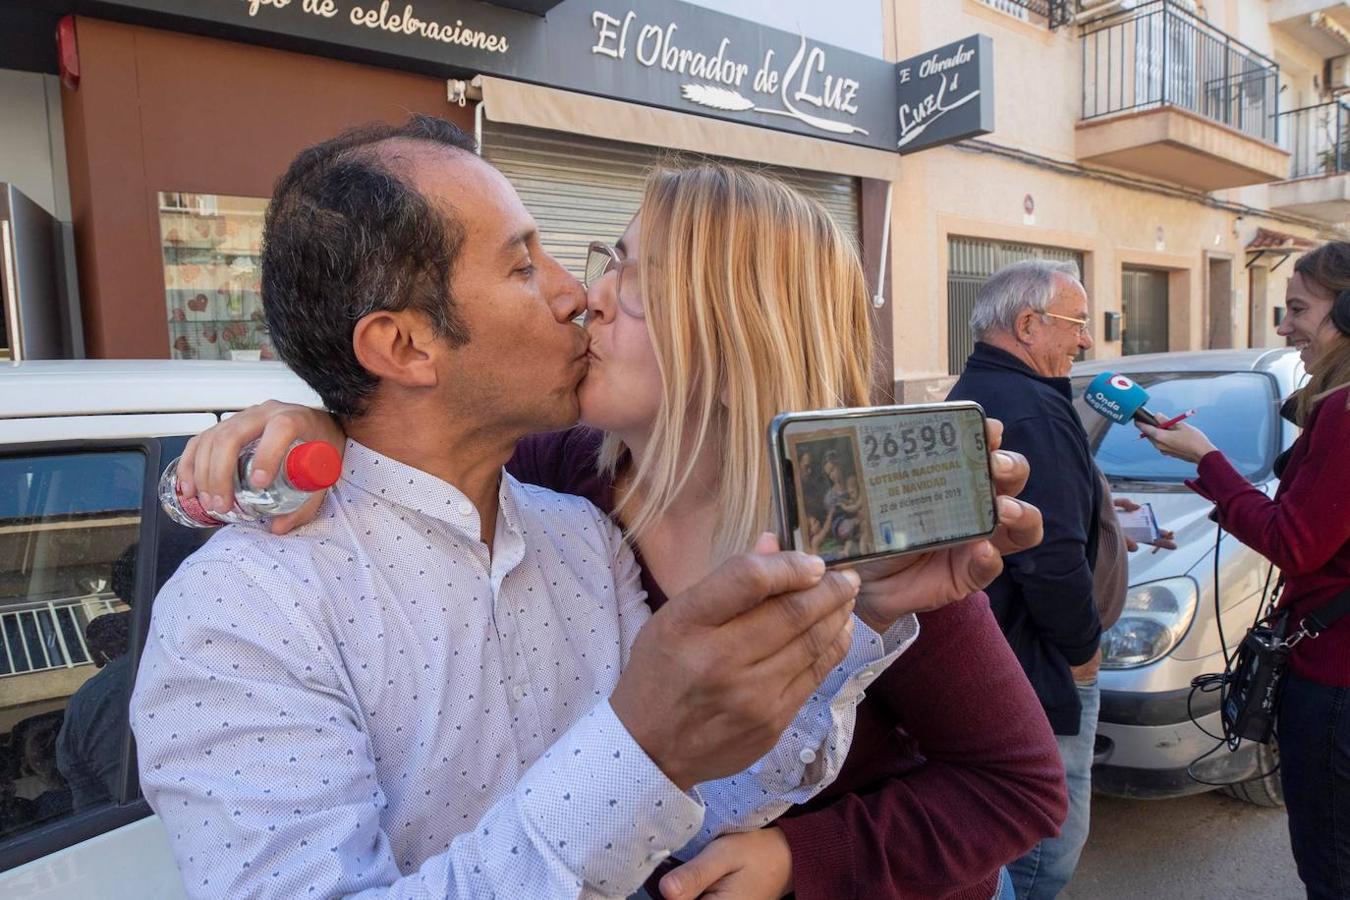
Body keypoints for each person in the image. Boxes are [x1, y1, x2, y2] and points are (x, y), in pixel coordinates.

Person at [130, 116, 982, 900]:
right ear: (404, 345)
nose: (578, 294)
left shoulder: (580, 533)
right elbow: (641, 776)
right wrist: (642, 742)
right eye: (522, 265)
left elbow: (685, 813)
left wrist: (856, 612)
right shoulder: (243, 612)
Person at [1138, 242, 1350, 900]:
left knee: (1331, 868)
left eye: (1297, 310)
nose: (1284, 328)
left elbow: (1295, 541)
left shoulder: (1345, 411)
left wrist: (1207, 459)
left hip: (1335, 684)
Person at [947, 259, 1103, 900]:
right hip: (1037, 662)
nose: (1087, 341)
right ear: (1029, 324)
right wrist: (1084, 654)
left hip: (990, 654)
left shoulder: (976, 391)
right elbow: (1052, 558)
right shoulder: (1034, 411)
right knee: (1044, 850)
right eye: (1078, 324)